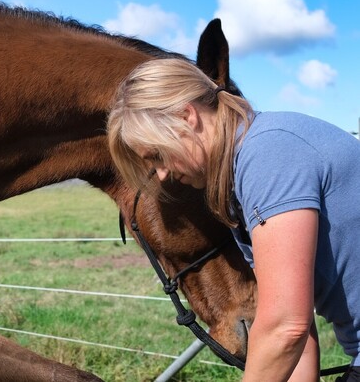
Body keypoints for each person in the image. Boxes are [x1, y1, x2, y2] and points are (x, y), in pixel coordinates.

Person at [107, 58, 360, 382]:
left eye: (157, 154)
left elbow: (285, 327)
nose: (162, 173)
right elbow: (298, 330)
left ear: (188, 116)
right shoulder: (240, 183)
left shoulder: (267, 155)